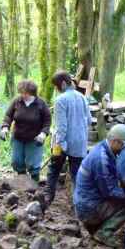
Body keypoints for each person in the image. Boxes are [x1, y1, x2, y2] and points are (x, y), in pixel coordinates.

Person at [73, 124, 125, 247]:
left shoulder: (103, 149)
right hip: (88, 208)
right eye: (124, 145)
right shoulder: (101, 159)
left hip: (86, 202)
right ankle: (104, 233)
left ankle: (96, 228)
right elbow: (110, 191)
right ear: (115, 141)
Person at [44, 71, 92, 205]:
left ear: (63, 84)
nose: (56, 89)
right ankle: (80, 206)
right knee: (77, 177)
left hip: (63, 143)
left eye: (56, 86)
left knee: (53, 170)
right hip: (80, 143)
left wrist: (59, 144)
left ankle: (47, 199)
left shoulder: (60, 100)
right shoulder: (82, 97)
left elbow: (61, 127)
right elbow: (88, 120)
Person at [1, 80, 51, 182]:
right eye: (21, 92)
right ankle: (22, 181)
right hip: (18, 137)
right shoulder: (17, 101)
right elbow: (8, 115)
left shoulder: (41, 104)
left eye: (24, 93)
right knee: (17, 161)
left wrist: (43, 133)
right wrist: (5, 127)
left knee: (33, 164)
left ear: (32, 92)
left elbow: (47, 121)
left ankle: (34, 183)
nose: (22, 95)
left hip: (35, 138)